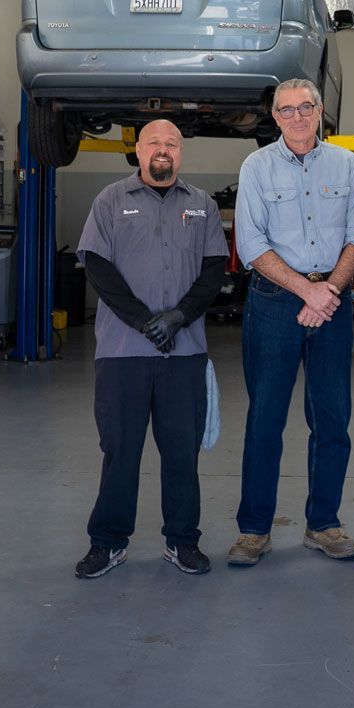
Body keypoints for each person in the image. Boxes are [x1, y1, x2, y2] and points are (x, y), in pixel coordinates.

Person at [72, 120, 229, 579]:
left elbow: (214, 270)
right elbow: (98, 269)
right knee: (120, 449)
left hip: (185, 353)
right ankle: (107, 542)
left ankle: (182, 542)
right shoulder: (110, 201)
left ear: (181, 153)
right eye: (155, 143)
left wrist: (179, 316)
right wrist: (145, 321)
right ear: (138, 151)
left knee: (182, 452)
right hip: (123, 352)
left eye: (172, 144)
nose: (164, 150)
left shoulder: (201, 205)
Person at [228, 77, 354, 566]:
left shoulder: (346, 164)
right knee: (265, 419)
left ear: (321, 109)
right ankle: (254, 530)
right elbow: (251, 245)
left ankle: (324, 524)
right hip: (274, 302)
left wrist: (327, 291)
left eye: (306, 107)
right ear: (275, 117)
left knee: (332, 419)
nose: (297, 117)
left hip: (333, 301)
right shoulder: (257, 167)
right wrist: (306, 290)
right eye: (286, 110)